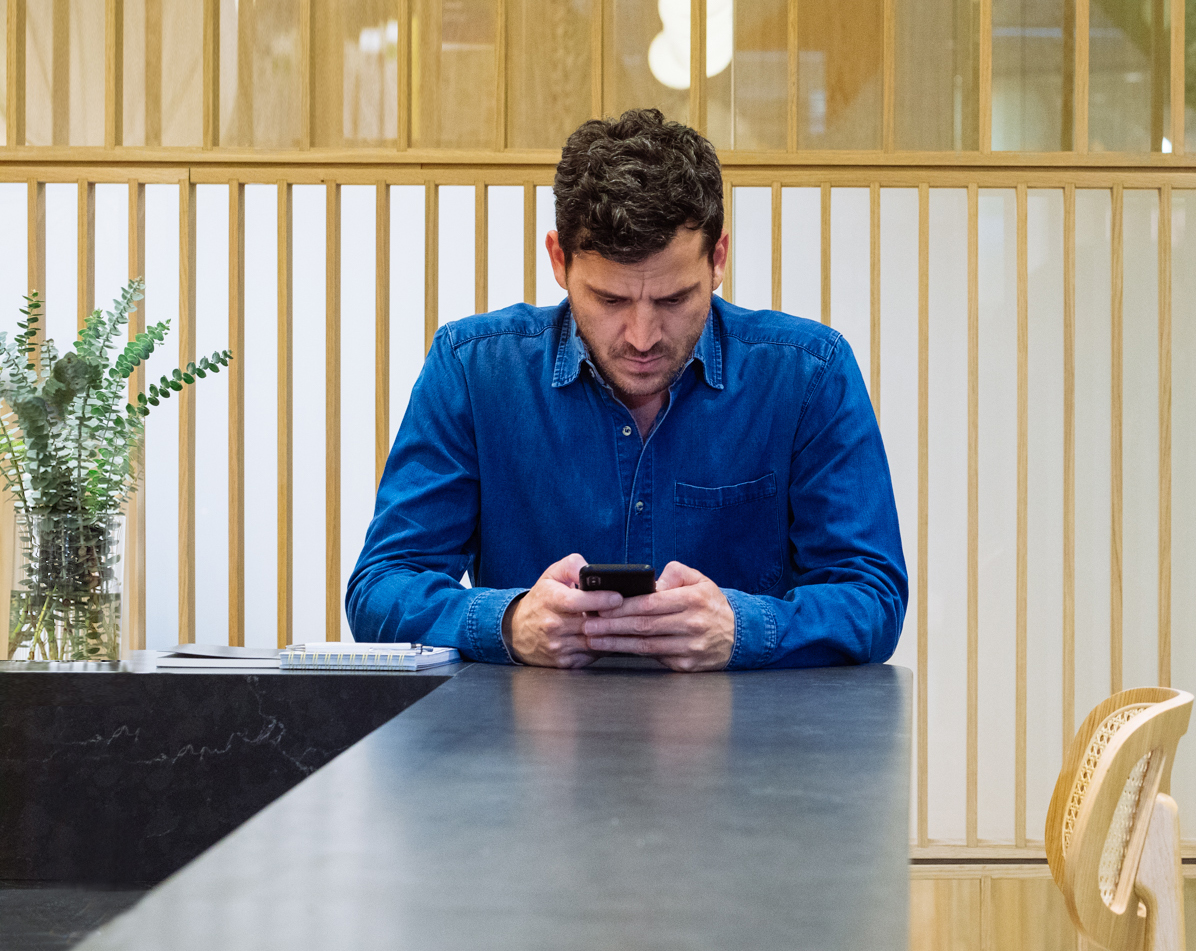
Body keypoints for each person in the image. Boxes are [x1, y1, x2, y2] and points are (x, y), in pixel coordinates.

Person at [346, 109, 906, 670]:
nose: (642, 337)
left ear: (718, 259)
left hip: (752, 746)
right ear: (559, 262)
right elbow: (381, 588)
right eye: (610, 301)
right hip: (520, 747)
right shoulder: (472, 371)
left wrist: (742, 628)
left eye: (673, 300)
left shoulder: (808, 374)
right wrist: (511, 622)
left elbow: (871, 596)